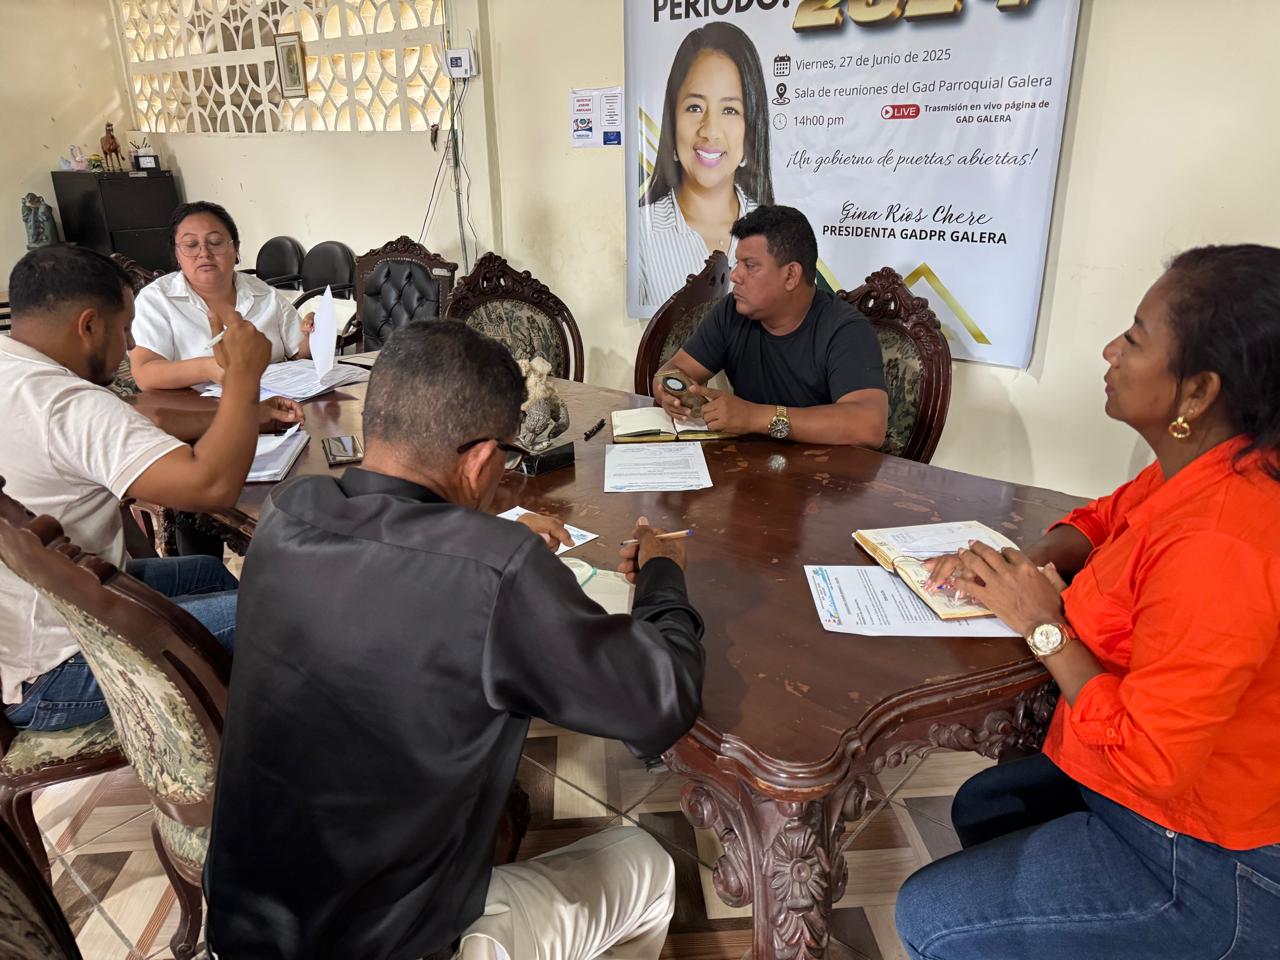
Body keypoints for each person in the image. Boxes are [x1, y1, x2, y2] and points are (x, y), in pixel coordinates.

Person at [206, 321, 706, 960]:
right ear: (480, 460)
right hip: (397, 947)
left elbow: (393, 553)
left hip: (243, 928)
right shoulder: (498, 570)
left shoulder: (288, 511)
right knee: (649, 865)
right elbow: (660, 702)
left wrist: (479, 525)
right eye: (507, 459)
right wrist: (663, 571)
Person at [894, 244, 1280, 959]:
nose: (1110, 351)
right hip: (1149, 793)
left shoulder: (1223, 542)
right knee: (987, 804)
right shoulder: (1206, 467)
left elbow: (1154, 759)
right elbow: (1104, 517)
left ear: (1198, 393)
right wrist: (1018, 565)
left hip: (1206, 851)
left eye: (1134, 337)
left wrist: (1042, 625)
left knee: (930, 916)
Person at [0, 245, 303, 732]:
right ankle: (257, 737)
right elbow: (211, 487)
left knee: (206, 570)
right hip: (59, 672)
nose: (127, 346)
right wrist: (243, 379)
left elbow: (136, 420)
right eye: (125, 330)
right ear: (89, 325)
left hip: (34, 629)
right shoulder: (65, 403)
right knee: (285, 614)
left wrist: (248, 417)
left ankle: (237, 702)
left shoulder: (16, 369)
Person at [654, 205, 888, 446]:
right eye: (737, 263)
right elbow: (673, 370)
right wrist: (668, 393)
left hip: (823, 468)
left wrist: (755, 417)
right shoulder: (732, 311)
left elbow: (869, 426)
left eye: (750, 265)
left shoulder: (846, 329)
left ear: (791, 275)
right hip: (749, 464)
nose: (735, 275)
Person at [637, 21, 773, 309]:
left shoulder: (777, 233)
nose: (710, 130)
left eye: (729, 110)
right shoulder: (640, 234)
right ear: (672, 122)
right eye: (695, 107)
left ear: (751, 127)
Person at [129, 200, 314, 390]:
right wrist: (207, 368)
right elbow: (145, 374)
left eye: (215, 242)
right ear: (176, 254)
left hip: (276, 398)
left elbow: (299, 353)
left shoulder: (264, 293)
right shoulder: (156, 299)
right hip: (197, 406)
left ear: (236, 248)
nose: (204, 253)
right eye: (191, 244)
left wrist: (314, 334)